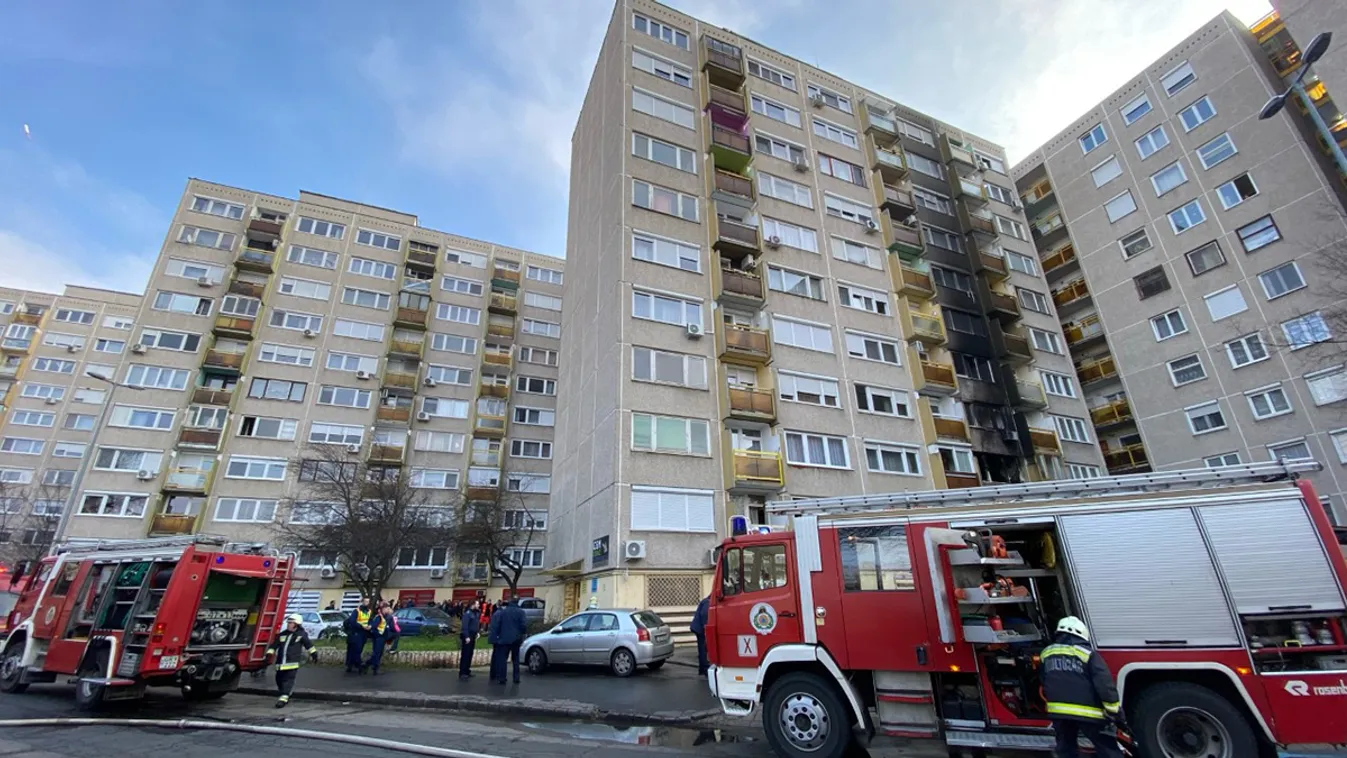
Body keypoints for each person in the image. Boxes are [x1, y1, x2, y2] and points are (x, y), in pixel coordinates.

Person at [1039, 616, 1123, 758]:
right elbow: (1104, 684)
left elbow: (1043, 678)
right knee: (1107, 749)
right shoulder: (1088, 654)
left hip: (1059, 713)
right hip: (1090, 714)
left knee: (1066, 749)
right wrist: (1114, 711)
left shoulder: (1046, 653)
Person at [266, 613, 318, 708]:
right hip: (280, 664)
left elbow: (308, 645)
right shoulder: (282, 634)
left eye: (291, 623)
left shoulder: (301, 635)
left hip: (292, 664)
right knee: (279, 680)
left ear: (296, 624)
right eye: (288, 623)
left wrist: (314, 654)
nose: (288, 624)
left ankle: (283, 698)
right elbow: (274, 645)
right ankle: (284, 693)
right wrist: (269, 653)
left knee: (288, 681)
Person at [487, 598, 527, 684]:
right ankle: (516, 678)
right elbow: (523, 626)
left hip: (504, 638)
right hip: (516, 638)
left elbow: (498, 624)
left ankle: (502, 678)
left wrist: (497, 635)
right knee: (516, 659)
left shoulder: (503, 612)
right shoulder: (521, 612)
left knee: (503, 659)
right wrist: (522, 633)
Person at [364, 601, 394, 675]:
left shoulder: (385, 616)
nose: (388, 610)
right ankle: (374, 668)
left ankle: (367, 665)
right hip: (378, 637)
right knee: (377, 653)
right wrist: (370, 627)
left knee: (379, 653)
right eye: (387, 608)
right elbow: (374, 624)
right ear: (383, 609)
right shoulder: (379, 617)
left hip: (382, 637)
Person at [344, 597, 373, 674]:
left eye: (368, 601)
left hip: (364, 632)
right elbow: (352, 622)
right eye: (366, 601)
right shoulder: (356, 611)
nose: (367, 603)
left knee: (359, 649)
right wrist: (361, 626)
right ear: (362, 602)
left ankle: (352, 664)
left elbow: (370, 620)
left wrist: (370, 625)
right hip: (356, 632)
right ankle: (357, 665)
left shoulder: (369, 611)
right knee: (356, 649)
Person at [459, 600, 482, 680]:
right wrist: (466, 636)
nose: (478, 605)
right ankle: (462, 672)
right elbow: (465, 626)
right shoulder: (468, 614)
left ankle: (467, 671)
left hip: (473, 635)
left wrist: (477, 632)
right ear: (473, 605)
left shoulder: (475, 613)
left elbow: (476, 624)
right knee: (465, 654)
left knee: (470, 654)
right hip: (468, 636)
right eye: (477, 604)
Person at [690, 595, 710, 677]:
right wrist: (705, 629)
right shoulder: (707, 602)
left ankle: (702, 669)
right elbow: (704, 615)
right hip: (699, 629)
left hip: (698, 627)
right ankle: (705, 669)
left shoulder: (706, 601)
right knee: (703, 649)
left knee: (702, 648)